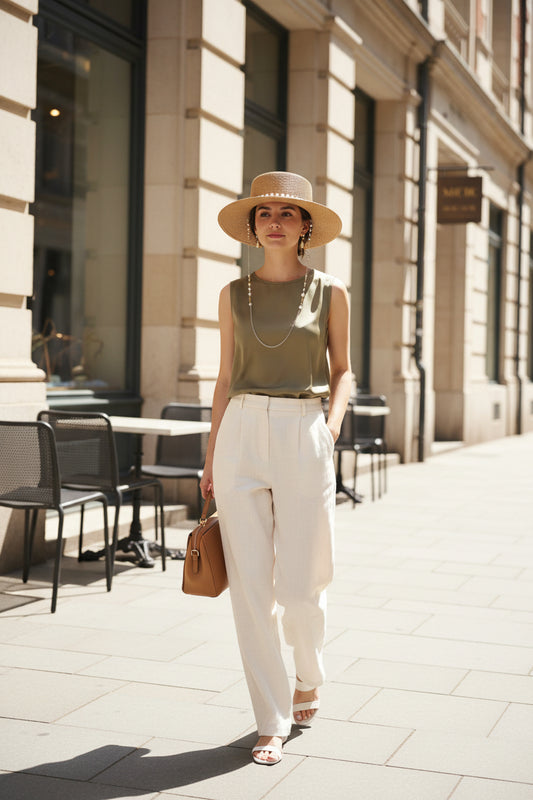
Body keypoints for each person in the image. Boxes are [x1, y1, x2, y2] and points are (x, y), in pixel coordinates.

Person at [200, 171, 351, 765]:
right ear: (254, 228)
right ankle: (271, 716)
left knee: (302, 584)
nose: (275, 221)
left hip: (303, 428)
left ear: (305, 227)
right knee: (252, 589)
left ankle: (308, 673)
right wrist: (211, 454)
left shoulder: (330, 291)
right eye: (265, 213)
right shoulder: (233, 294)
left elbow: (343, 370)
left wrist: (330, 428)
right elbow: (222, 377)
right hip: (240, 430)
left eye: (287, 213)